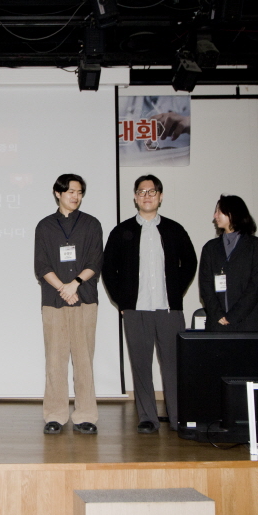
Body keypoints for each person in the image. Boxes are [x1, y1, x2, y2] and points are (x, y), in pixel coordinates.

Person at [102, 174, 196, 433]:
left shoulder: (174, 229)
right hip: (136, 309)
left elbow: (190, 262)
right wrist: (122, 301)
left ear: (160, 196)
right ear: (135, 197)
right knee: (141, 364)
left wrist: (176, 292)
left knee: (173, 364)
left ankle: (177, 417)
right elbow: (108, 269)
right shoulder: (121, 231)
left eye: (152, 191)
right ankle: (148, 418)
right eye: (141, 192)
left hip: (168, 309)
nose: (147, 196)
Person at [34, 174, 103, 435]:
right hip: (54, 301)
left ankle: (85, 415)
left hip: (84, 298)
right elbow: (41, 266)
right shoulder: (45, 226)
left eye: (80, 192)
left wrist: (75, 284)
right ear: (58, 193)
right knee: (55, 360)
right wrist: (63, 288)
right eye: (71, 191)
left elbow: (95, 261)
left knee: (84, 361)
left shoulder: (91, 224)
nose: (76, 196)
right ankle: (55, 415)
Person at [198, 195, 258, 331]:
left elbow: (255, 286)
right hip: (217, 324)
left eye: (219, 211)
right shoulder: (210, 248)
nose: (215, 215)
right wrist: (218, 314)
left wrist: (233, 316)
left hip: (249, 323)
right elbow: (205, 285)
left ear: (233, 213)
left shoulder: (257, 246)